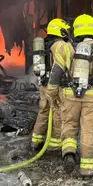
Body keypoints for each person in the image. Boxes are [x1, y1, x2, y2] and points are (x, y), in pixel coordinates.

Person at [46, 14, 93, 176]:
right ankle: (87, 169)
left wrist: (53, 95)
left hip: (70, 95)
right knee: (89, 131)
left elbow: (55, 74)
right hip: (92, 97)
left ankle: (69, 153)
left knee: (69, 126)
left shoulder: (66, 48)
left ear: (76, 30)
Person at [30, 18, 70, 152]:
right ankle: (54, 145)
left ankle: (36, 141)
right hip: (56, 85)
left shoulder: (45, 44)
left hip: (43, 84)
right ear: (60, 31)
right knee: (58, 113)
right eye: (65, 30)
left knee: (43, 111)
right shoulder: (60, 45)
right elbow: (63, 65)